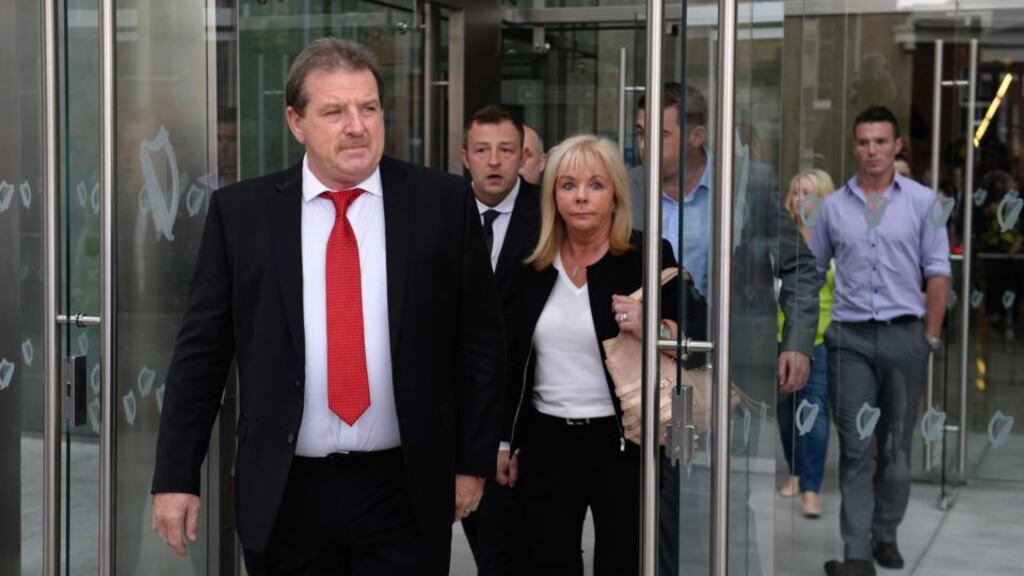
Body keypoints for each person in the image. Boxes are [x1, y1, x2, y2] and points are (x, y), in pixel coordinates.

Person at [150, 38, 505, 575]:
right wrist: (176, 476)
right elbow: (201, 356)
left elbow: (480, 344)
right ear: (296, 121)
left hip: (404, 490)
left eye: (368, 108)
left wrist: (471, 463)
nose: (356, 125)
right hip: (285, 491)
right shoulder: (242, 215)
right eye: (334, 111)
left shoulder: (442, 204)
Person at [502, 134, 705, 575]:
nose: (580, 197)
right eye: (568, 185)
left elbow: (698, 334)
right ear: (553, 195)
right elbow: (508, 359)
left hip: (623, 440)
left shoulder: (644, 256)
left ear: (615, 193)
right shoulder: (531, 262)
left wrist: (653, 323)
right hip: (545, 441)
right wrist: (506, 440)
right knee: (549, 562)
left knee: (622, 562)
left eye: (595, 185)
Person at [811, 106, 951, 576]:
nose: (872, 150)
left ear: (897, 147)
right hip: (849, 340)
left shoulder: (923, 202)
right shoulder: (832, 209)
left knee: (894, 448)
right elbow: (810, 272)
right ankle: (855, 552)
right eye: (864, 142)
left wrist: (928, 338)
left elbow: (938, 273)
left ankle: (885, 531)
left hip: (904, 336)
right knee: (855, 446)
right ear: (854, 147)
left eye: (881, 142)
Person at [459, 103, 540, 576]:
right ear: (464, 156)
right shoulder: (440, 210)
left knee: (510, 552)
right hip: (456, 416)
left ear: (522, 155)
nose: (494, 161)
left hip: (525, 418)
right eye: (482, 150)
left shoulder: (549, 210)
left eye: (507, 150)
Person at [776, 169, 837, 519]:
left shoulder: (831, 238)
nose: (802, 199)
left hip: (818, 340)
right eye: (797, 192)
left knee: (813, 416)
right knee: (786, 416)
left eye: (810, 193)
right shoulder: (782, 236)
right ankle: (796, 473)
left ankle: (812, 487)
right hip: (779, 337)